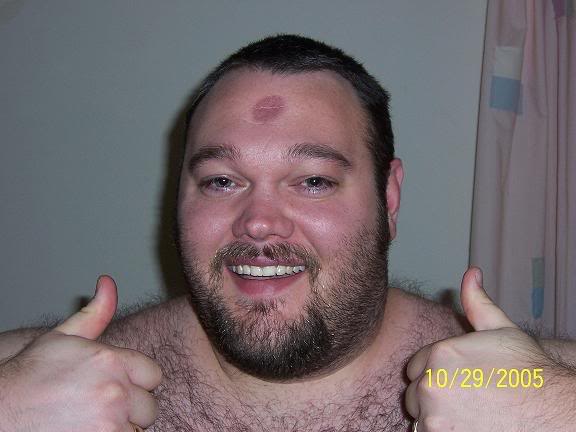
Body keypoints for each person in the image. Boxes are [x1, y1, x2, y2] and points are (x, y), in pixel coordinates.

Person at [0, 34, 575, 432]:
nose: (258, 222)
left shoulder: (534, 387)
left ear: (389, 198)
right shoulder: (34, 383)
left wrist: (551, 414)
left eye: (314, 181)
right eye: (222, 180)